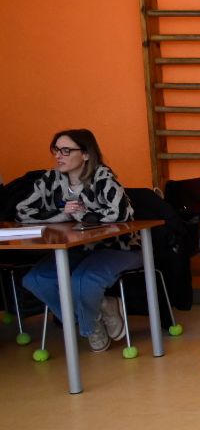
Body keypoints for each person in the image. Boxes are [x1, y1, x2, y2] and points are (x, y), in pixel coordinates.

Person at [16, 130, 140, 352]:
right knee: (37, 279)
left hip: (116, 247)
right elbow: (22, 211)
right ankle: (99, 311)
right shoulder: (51, 180)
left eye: (66, 150)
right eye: (56, 150)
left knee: (82, 280)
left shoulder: (102, 177)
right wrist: (61, 213)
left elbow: (121, 213)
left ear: (85, 154)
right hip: (77, 248)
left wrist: (82, 214)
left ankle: (89, 325)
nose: (59, 156)